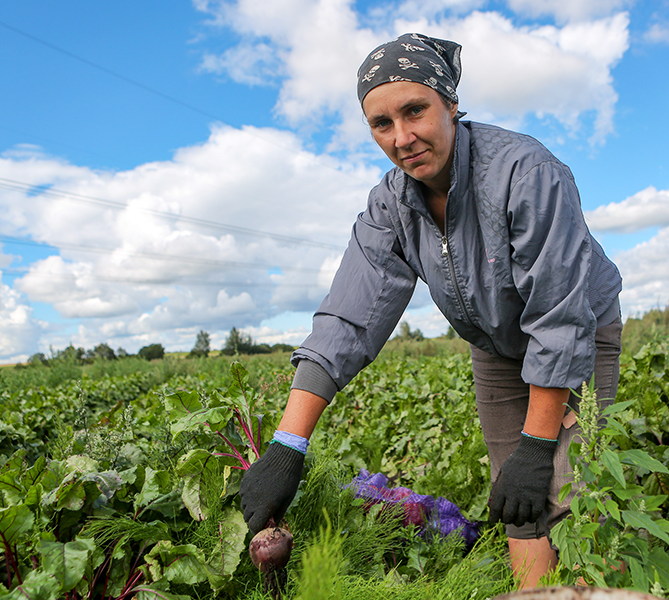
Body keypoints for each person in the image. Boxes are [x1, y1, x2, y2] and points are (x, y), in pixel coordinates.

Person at [240, 33, 623, 588]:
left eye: (415, 110)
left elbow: (558, 318)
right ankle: (536, 593)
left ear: (451, 103)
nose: (402, 138)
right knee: (515, 494)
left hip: (577, 330)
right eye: (381, 124)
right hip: (495, 345)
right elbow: (350, 317)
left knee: (568, 484)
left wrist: (537, 445)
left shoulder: (525, 172)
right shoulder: (390, 206)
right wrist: (286, 446)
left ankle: (595, 583)